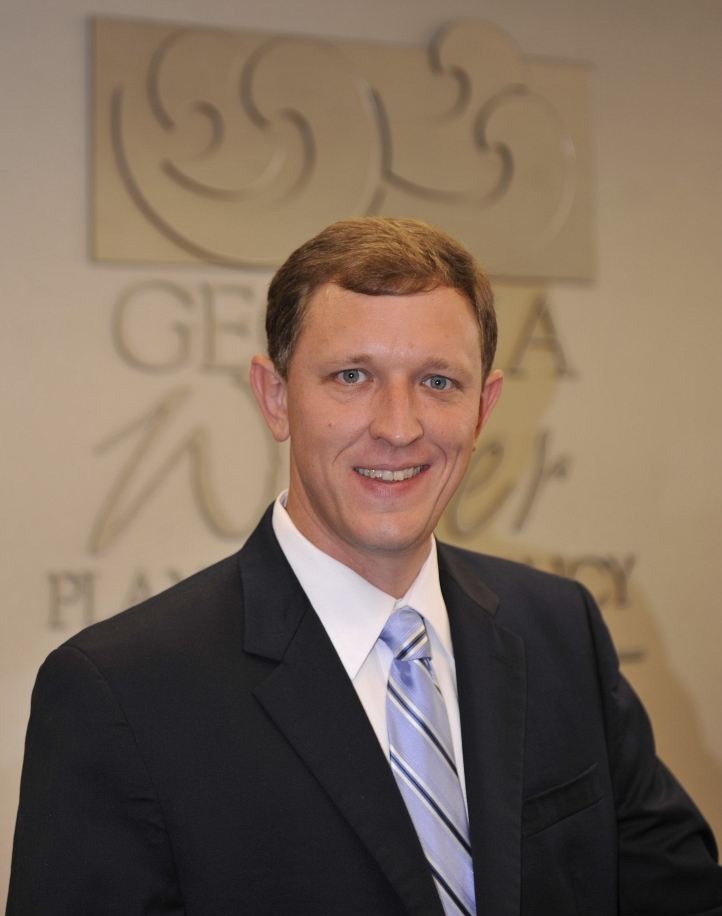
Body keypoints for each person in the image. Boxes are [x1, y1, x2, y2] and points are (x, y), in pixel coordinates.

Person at [7, 218, 722, 916]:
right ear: (276, 397)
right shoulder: (119, 694)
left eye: (438, 381)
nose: (398, 427)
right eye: (352, 376)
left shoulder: (561, 630)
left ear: (483, 408)